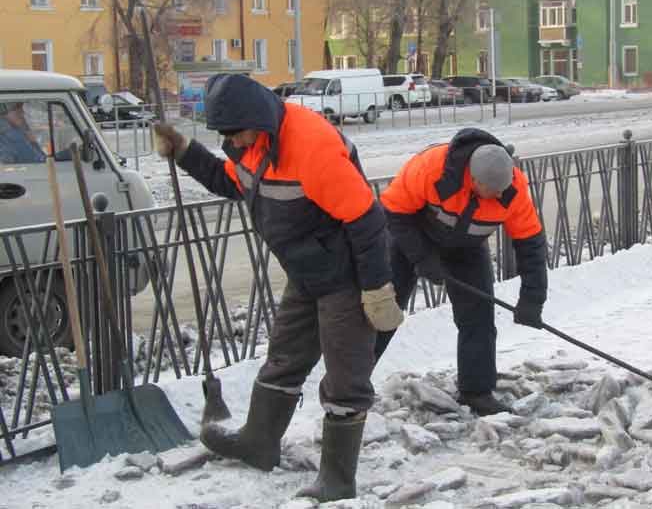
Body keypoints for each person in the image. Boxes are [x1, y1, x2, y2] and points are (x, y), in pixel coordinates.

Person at [153, 73, 403, 503]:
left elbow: (367, 221)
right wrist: (184, 152)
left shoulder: (313, 148)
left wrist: (377, 288)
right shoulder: (250, 142)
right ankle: (258, 442)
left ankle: (338, 479)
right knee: (284, 356)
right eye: (225, 135)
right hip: (306, 269)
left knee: (345, 376)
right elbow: (233, 183)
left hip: (347, 274)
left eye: (236, 133)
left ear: (260, 120)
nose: (233, 141)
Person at [375, 128, 548, 416]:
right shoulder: (431, 168)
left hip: (467, 246)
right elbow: (393, 211)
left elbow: (531, 245)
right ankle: (350, 385)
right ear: (473, 179)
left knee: (478, 315)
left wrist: (533, 299)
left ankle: (476, 391)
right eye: (492, 192)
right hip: (410, 236)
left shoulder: (514, 190)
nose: (499, 196)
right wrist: (422, 258)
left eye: (502, 191)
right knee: (386, 310)